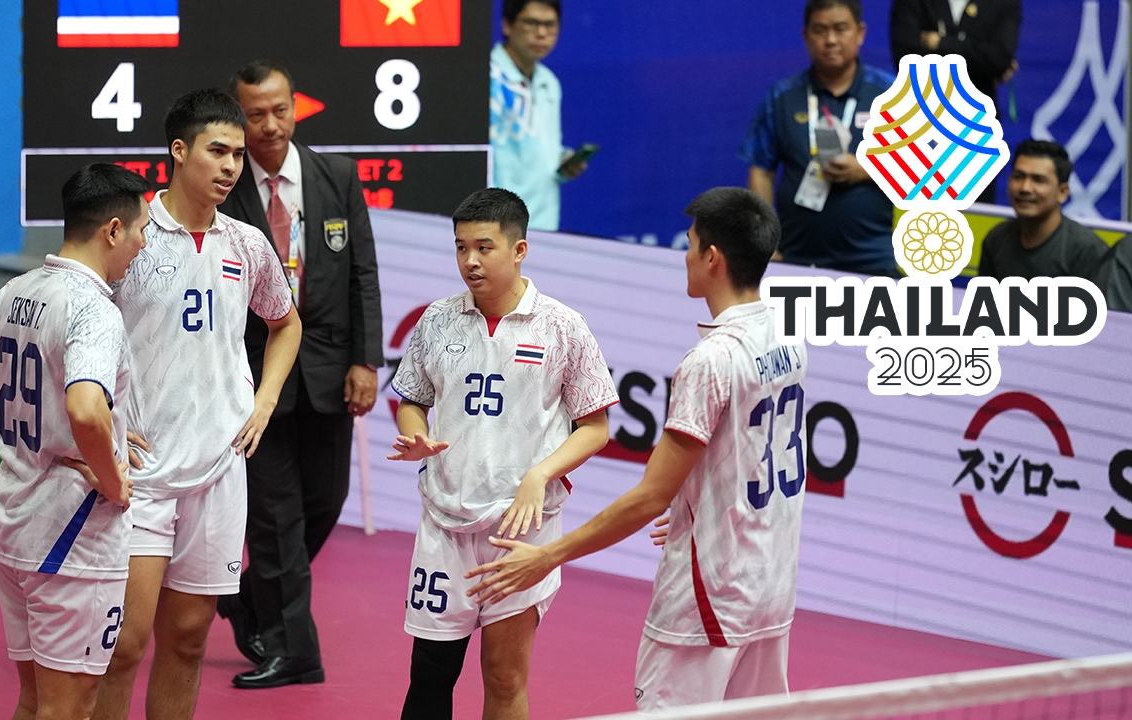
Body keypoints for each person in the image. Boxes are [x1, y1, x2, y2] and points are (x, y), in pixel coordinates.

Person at [466, 187, 809, 712]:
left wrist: (548, 556)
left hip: (708, 601)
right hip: (772, 589)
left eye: (690, 243)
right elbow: (750, 451)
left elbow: (651, 496)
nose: (685, 255)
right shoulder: (788, 335)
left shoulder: (709, 361)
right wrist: (700, 505)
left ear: (712, 258)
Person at [93, 89, 302, 720]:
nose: (232, 165)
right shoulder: (130, 236)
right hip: (140, 476)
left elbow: (285, 323)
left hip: (218, 471)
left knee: (187, 640)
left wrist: (264, 400)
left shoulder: (247, 243)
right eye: (218, 151)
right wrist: (102, 422)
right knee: (124, 645)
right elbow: (78, 329)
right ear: (179, 151)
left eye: (238, 154)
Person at [388, 188, 618, 720]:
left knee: (505, 674)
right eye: (461, 247)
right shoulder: (437, 320)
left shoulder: (563, 326)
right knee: (430, 673)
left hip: (522, 530)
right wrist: (415, 435)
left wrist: (540, 474)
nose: (470, 260)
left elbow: (595, 428)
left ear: (519, 250)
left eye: (484, 247)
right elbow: (413, 401)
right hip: (445, 523)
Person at [0, 163, 149, 720]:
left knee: (35, 701)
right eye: (140, 231)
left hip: (15, 527)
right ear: (112, 230)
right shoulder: (94, 311)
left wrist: (31, 433)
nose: (142, 245)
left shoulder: (17, 291)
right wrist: (114, 480)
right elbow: (84, 409)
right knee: (69, 707)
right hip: (72, 541)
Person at [214, 60, 385, 690]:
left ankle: (249, 599)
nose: (269, 125)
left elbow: (362, 272)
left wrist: (366, 360)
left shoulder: (336, 174)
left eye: (280, 110)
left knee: (325, 501)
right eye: (255, 114)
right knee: (274, 516)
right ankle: (293, 650)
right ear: (239, 117)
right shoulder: (225, 187)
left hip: (330, 372)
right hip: (254, 377)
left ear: (295, 107)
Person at [740, 0, 897, 275]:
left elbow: (923, 166)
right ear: (805, 36)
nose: (831, 40)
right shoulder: (782, 96)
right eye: (820, 30)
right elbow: (761, 170)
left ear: (860, 33)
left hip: (874, 260)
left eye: (841, 29)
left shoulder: (891, 94)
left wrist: (868, 168)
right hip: (795, 257)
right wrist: (765, 243)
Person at [890, 0, 1021, 203]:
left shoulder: (1003, 3)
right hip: (921, 123)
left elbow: (998, 58)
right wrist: (976, 58)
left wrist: (939, 43)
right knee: (920, 210)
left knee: (975, 212)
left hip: (977, 129)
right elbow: (907, 58)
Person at [491, 0, 587, 232]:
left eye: (550, 25)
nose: (542, 33)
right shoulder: (485, 78)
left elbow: (540, 147)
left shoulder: (549, 82)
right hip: (493, 226)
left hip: (543, 225)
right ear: (507, 25)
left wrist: (561, 162)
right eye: (531, 23)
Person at [977, 140, 1109, 280]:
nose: (1025, 188)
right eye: (1018, 177)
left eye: (1038, 180)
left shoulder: (1088, 251)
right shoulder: (996, 239)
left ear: (1063, 192)